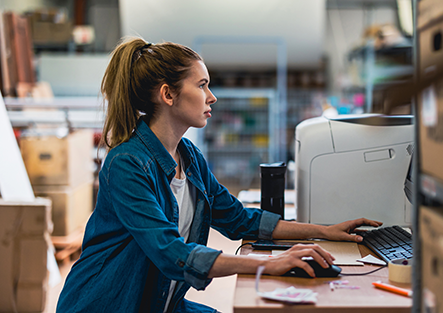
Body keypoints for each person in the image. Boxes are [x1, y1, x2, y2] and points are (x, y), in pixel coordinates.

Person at [56, 37, 382, 313]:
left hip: (159, 301)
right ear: (168, 95)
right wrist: (270, 263)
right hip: (108, 303)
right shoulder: (127, 164)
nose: (211, 97)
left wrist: (324, 231)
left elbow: (240, 220)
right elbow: (171, 254)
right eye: (202, 85)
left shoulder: (189, 158)